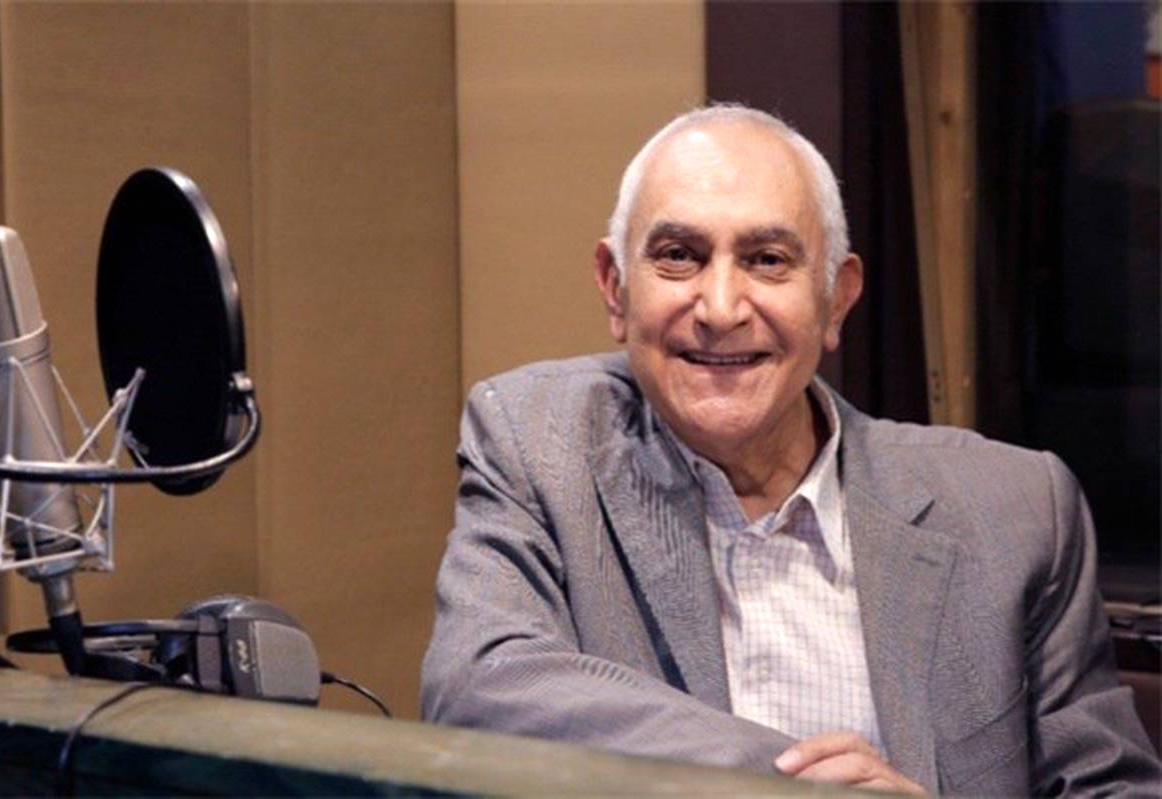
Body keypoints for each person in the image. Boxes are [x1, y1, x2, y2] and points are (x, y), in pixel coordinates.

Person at [421, 105, 1160, 795]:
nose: (720, 309)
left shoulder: (1015, 510)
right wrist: (794, 787)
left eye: (767, 260)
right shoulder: (538, 442)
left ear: (836, 299)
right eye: (678, 255)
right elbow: (478, 687)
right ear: (616, 289)